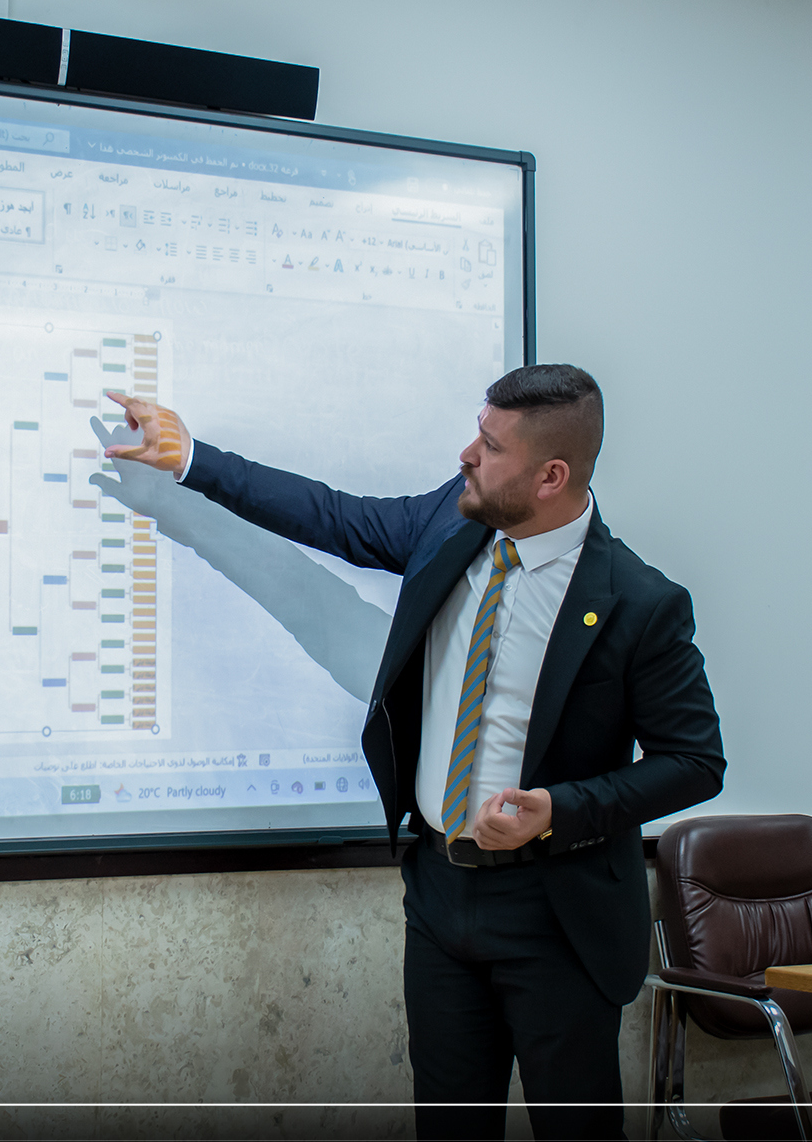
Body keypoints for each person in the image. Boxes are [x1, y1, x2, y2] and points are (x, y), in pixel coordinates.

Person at [104, 364, 725, 1141]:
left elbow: (695, 760)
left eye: (491, 446)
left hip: (559, 915)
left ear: (551, 476)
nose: (467, 454)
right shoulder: (450, 522)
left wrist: (559, 809)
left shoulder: (638, 601)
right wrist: (195, 458)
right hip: (439, 897)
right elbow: (332, 516)